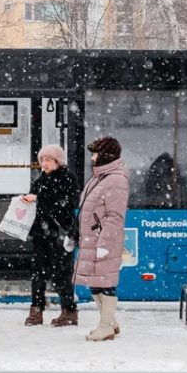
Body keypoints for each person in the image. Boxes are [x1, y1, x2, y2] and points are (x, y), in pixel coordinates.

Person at [74, 136, 130, 342]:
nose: (92, 158)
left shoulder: (115, 180)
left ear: (105, 156)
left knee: (105, 283)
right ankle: (111, 323)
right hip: (93, 240)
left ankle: (105, 326)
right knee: (96, 283)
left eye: (96, 154)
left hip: (103, 241)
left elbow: (115, 216)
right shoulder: (101, 177)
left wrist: (104, 245)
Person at [21, 144, 80, 327]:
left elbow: (65, 204)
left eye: (48, 160)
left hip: (60, 233)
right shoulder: (40, 180)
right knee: (38, 273)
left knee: (61, 273)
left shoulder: (67, 178)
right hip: (41, 233)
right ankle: (36, 311)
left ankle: (69, 311)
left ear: (57, 161)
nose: (44, 164)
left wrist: (38, 199)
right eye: (42, 160)